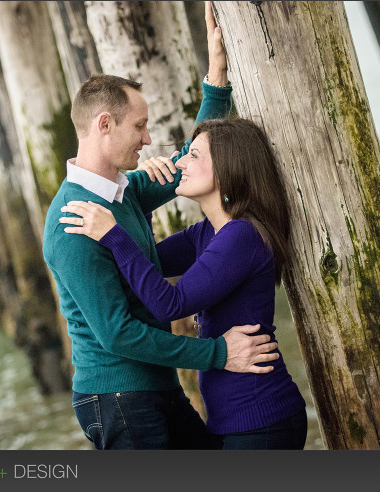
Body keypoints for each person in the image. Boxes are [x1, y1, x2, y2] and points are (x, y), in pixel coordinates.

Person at [42, 2, 280, 450]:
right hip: (117, 396)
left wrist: (216, 74)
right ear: (104, 125)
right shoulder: (73, 221)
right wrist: (219, 353)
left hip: (156, 386)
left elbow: (195, 161)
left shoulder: (123, 190)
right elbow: (117, 333)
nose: (149, 139)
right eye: (140, 126)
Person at [60, 117, 308, 449]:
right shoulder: (209, 232)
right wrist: (136, 208)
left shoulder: (241, 236)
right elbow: (148, 265)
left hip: (261, 419)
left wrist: (113, 234)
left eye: (193, 155)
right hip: (235, 420)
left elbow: (169, 304)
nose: (180, 163)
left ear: (226, 168)